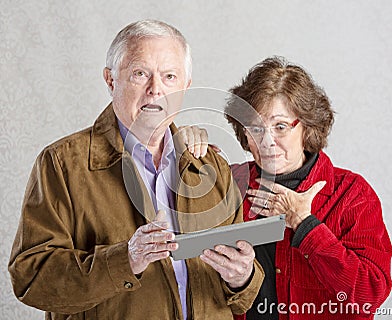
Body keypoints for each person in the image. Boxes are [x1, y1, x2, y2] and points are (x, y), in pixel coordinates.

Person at [8, 20, 264, 319]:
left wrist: (242, 277)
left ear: (185, 87)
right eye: (140, 74)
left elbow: (240, 297)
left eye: (169, 77)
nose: (156, 90)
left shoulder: (212, 166)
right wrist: (126, 259)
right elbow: (31, 279)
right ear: (110, 80)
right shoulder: (62, 164)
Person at [182, 56, 392, 319]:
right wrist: (184, 146)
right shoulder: (230, 181)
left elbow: (369, 295)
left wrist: (306, 226)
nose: (267, 142)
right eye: (256, 128)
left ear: (307, 126)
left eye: (280, 126)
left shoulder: (352, 195)